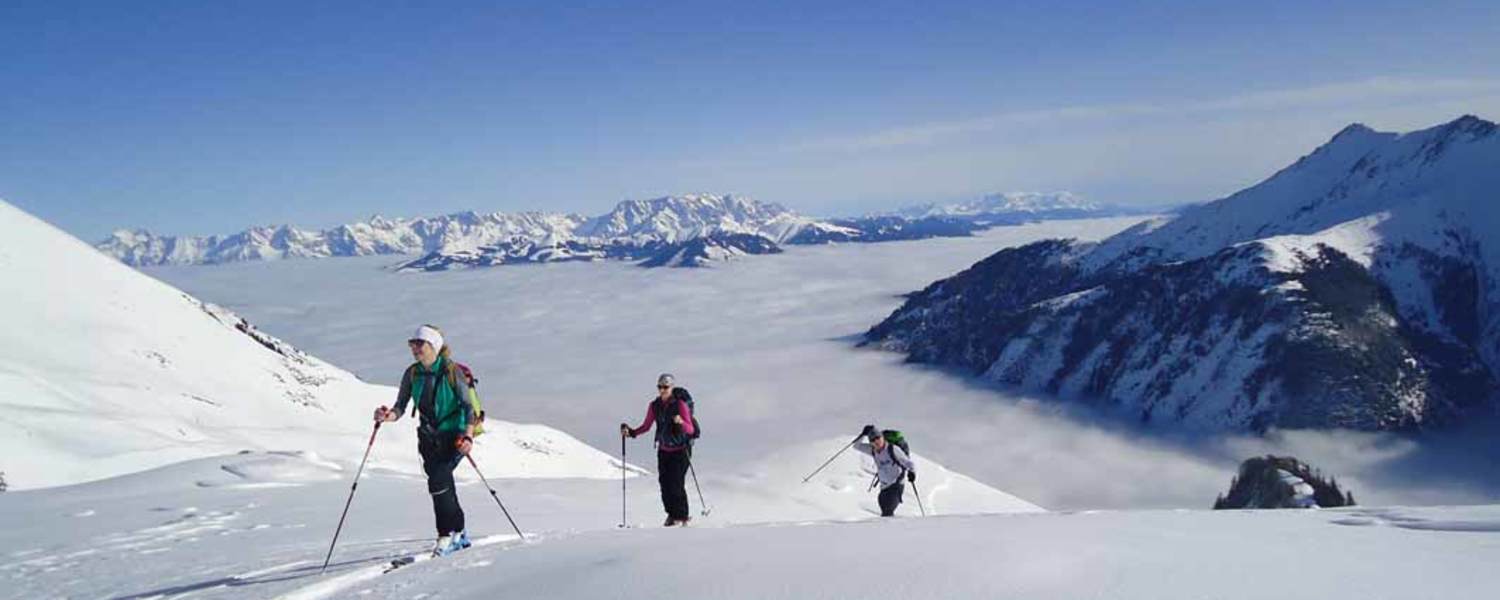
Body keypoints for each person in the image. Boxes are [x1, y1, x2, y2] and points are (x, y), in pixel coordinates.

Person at [374, 324, 477, 556]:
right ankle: (459, 532)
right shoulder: (412, 374)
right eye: (412, 344)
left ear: (433, 345)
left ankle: (445, 536)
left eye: (419, 343)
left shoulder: (451, 371)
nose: (414, 348)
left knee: (438, 482)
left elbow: (468, 407)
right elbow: (400, 406)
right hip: (428, 439)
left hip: (455, 436)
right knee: (443, 485)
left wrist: (468, 436)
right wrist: (387, 416)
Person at [620, 373, 697, 526]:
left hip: (681, 450)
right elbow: (646, 426)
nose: (662, 390)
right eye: (660, 387)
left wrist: (681, 422)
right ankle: (672, 515)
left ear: (671, 387)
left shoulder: (680, 405)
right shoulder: (654, 406)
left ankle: (682, 517)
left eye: (665, 387)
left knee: (676, 484)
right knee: (664, 484)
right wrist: (632, 432)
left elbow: (690, 429)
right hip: (663, 450)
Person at [854, 425, 915, 517]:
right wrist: (863, 434)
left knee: (887, 512)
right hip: (884, 487)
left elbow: (908, 463)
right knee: (885, 512)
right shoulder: (873, 450)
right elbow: (856, 446)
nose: (876, 441)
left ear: (882, 438)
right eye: (873, 440)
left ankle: (893, 526)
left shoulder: (892, 449)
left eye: (878, 438)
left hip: (896, 485)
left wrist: (912, 472)